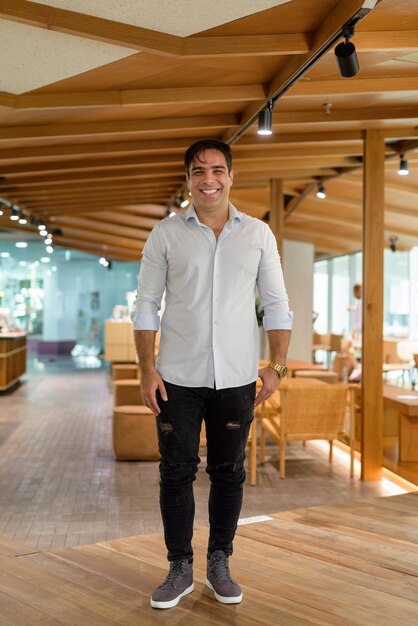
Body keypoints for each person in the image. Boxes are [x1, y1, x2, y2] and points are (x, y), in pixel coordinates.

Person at [131, 139, 292, 610]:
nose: (209, 179)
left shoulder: (258, 234)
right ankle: (179, 566)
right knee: (176, 473)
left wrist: (277, 366)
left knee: (229, 473)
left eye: (218, 170)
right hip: (176, 378)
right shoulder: (165, 234)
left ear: (231, 176)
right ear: (188, 178)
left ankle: (219, 560)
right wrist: (146, 369)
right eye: (199, 171)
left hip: (238, 379)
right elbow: (146, 304)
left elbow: (277, 303)